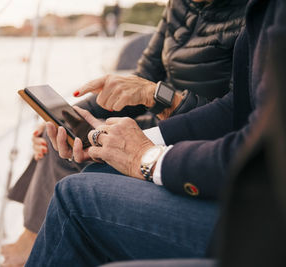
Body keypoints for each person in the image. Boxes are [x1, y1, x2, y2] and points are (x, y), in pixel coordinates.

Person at [24, 0, 285, 265]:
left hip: (260, 221)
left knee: (74, 197)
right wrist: (77, 118)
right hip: (200, 147)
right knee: (93, 163)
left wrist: (147, 157)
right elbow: (236, 107)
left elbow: (260, 146)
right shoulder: (190, 6)